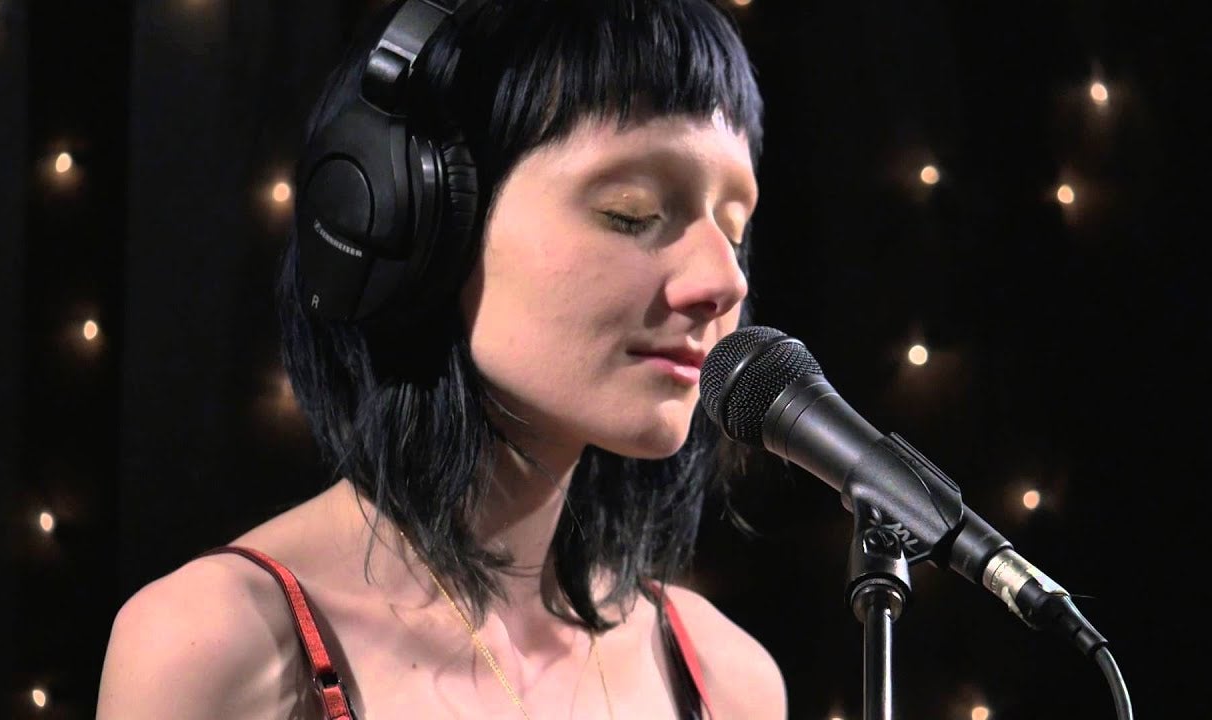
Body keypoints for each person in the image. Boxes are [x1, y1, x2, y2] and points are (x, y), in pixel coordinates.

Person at [97, 0, 785, 717]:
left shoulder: (728, 681)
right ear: (413, 220)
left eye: (733, 231)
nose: (725, 281)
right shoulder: (215, 644)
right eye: (631, 212)